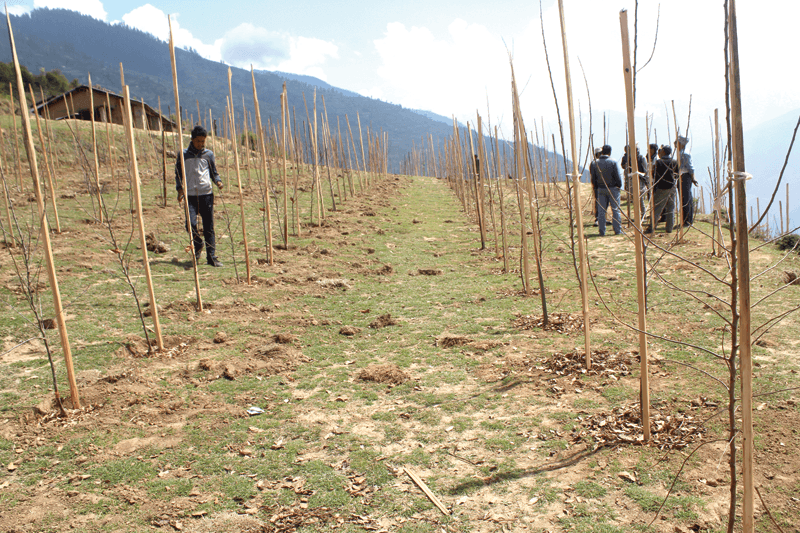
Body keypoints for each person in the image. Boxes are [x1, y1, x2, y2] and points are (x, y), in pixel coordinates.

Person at [176, 125, 224, 267]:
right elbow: (178, 174)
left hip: (206, 195)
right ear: (192, 139)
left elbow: (213, 172)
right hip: (190, 196)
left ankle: (212, 257)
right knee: (190, 224)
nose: (200, 144)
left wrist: (218, 181)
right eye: (198, 141)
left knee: (209, 226)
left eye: (203, 141)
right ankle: (198, 244)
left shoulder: (208, 154)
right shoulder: (183, 155)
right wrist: (180, 190)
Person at [589, 144, 622, 236]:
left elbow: (593, 178)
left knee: (601, 211)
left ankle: (602, 231)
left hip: (600, 189)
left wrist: (596, 187)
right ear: (610, 152)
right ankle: (617, 230)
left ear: (602, 151)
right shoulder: (613, 162)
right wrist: (619, 185)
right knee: (615, 210)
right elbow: (617, 176)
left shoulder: (595, 163)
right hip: (613, 188)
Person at [648, 145, 679, 233]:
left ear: (664, 152)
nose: (660, 152)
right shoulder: (674, 161)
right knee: (671, 208)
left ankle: (652, 227)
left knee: (657, 208)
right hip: (672, 187)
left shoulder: (659, 162)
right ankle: (669, 229)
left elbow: (653, 174)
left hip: (661, 187)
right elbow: (677, 173)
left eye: (661, 150)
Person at [621, 144, 648, 219]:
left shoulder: (642, 158)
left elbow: (645, 170)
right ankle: (638, 216)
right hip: (631, 180)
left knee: (640, 198)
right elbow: (626, 169)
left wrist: (645, 180)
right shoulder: (629, 158)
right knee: (634, 199)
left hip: (640, 180)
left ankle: (643, 215)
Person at [675, 136, 697, 226]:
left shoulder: (684, 154)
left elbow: (690, 167)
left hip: (685, 176)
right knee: (685, 198)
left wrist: (693, 178)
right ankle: (686, 219)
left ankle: (687, 220)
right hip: (682, 176)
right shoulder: (681, 152)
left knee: (686, 199)